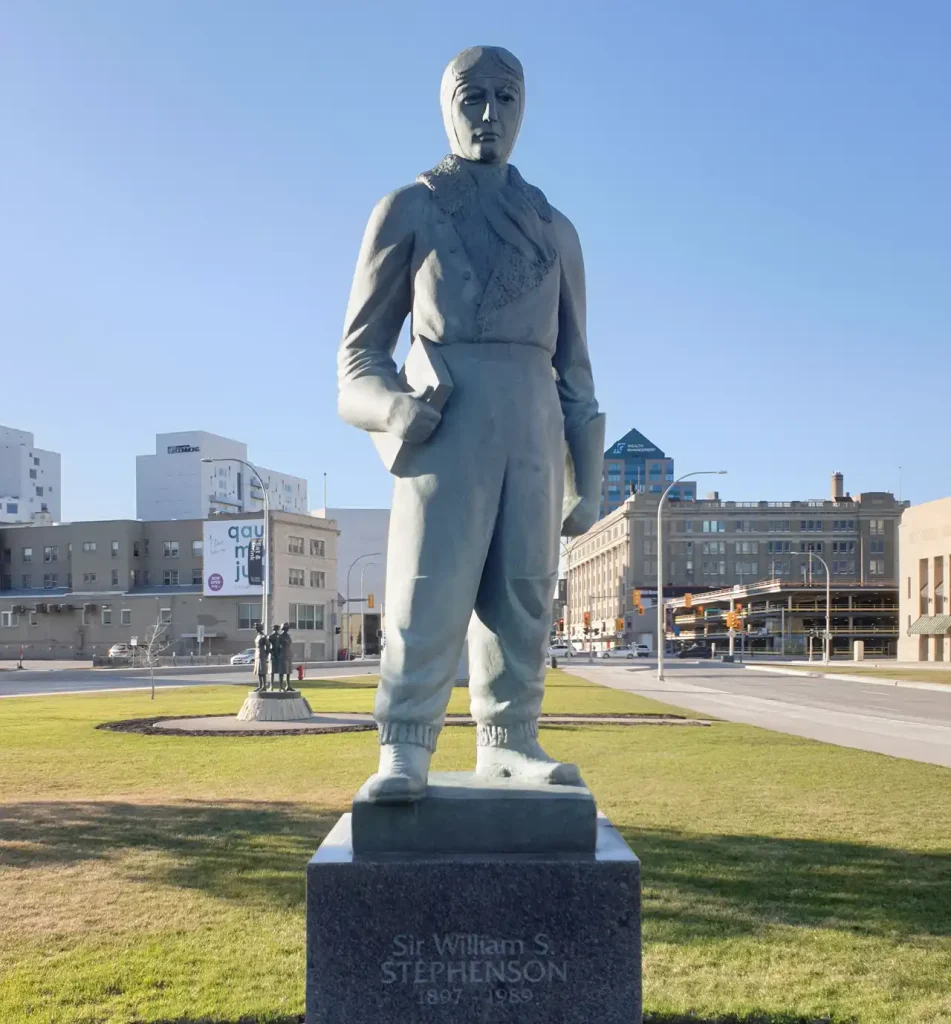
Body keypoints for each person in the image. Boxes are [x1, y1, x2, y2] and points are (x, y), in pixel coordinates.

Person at [338, 45, 603, 802]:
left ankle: (510, 739)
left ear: (524, 110)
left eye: (505, 98)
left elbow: (577, 369)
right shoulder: (409, 208)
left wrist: (588, 480)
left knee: (524, 594)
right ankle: (404, 745)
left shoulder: (555, 229)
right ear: (445, 108)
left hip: (533, 429)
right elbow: (357, 359)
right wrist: (394, 408)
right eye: (471, 97)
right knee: (426, 590)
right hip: (444, 430)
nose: (489, 115)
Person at [253, 623, 269, 692]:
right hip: (257, 654)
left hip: (262, 654)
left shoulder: (264, 636)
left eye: (257, 627)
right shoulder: (258, 636)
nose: (256, 628)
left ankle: (264, 686)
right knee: (259, 672)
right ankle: (260, 685)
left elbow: (268, 646)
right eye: (255, 627)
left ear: (260, 628)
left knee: (263, 671)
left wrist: (266, 654)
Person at [268, 624, 281, 688]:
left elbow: (267, 647)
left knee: (272, 672)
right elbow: (268, 646)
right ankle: (278, 686)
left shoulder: (272, 636)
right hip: (276, 655)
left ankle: (272, 686)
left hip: (275, 655)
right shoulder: (270, 636)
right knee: (276, 671)